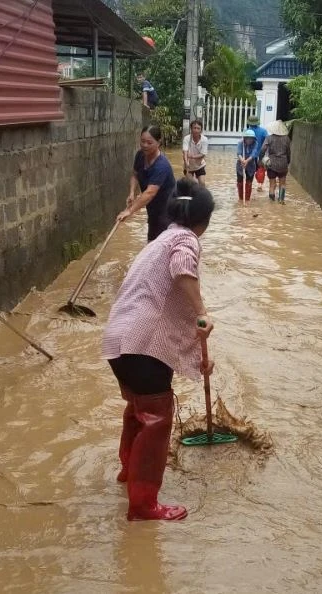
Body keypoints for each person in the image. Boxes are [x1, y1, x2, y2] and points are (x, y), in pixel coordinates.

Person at [103, 177, 216, 521]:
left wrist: (199, 359)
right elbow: (182, 269)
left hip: (118, 342)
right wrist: (202, 313)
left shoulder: (161, 237)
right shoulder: (185, 240)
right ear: (204, 220)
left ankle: (128, 471)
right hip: (143, 345)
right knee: (156, 422)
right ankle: (143, 504)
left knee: (137, 409)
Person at [118, 125, 176, 242]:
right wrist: (132, 193)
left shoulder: (161, 166)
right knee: (151, 244)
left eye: (149, 142)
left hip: (168, 212)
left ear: (158, 142)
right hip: (153, 210)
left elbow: (150, 193)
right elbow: (135, 175)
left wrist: (129, 211)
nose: (145, 145)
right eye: (142, 141)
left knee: (159, 246)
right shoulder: (140, 155)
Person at [260, 120, 291, 203]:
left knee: (272, 184)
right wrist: (288, 162)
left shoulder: (269, 138)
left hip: (272, 164)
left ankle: (271, 202)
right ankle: (281, 200)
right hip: (283, 164)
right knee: (282, 183)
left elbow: (263, 149)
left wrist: (260, 159)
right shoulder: (287, 139)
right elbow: (288, 152)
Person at [182, 119, 208, 186]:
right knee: (191, 185)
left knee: (202, 183)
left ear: (201, 130)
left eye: (198, 128)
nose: (196, 130)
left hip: (200, 165)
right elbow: (185, 152)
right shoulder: (186, 138)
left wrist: (191, 156)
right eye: (194, 128)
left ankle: (201, 196)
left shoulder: (204, 140)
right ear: (191, 129)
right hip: (188, 165)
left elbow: (203, 154)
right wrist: (186, 162)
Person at [247, 115, 268, 192]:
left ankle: (249, 185)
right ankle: (260, 185)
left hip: (250, 156)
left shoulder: (247, 131)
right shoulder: (263, 131)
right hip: (261, 155)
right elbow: (267, 142)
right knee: (261, 170)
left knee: (250, 171)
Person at [236, 129, 258, 202]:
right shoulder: (240, 143)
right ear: (245, 138)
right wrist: (242, 160)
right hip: (240, 164)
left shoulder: (255, 143)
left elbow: (254, 154)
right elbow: (238, 153)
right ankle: (241, 198)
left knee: (249, 183)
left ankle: (247, 199)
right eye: (248, 138)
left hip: (251, 165)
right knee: (240, 182)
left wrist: (247, 161)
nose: (249, 140)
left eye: (251, 138)